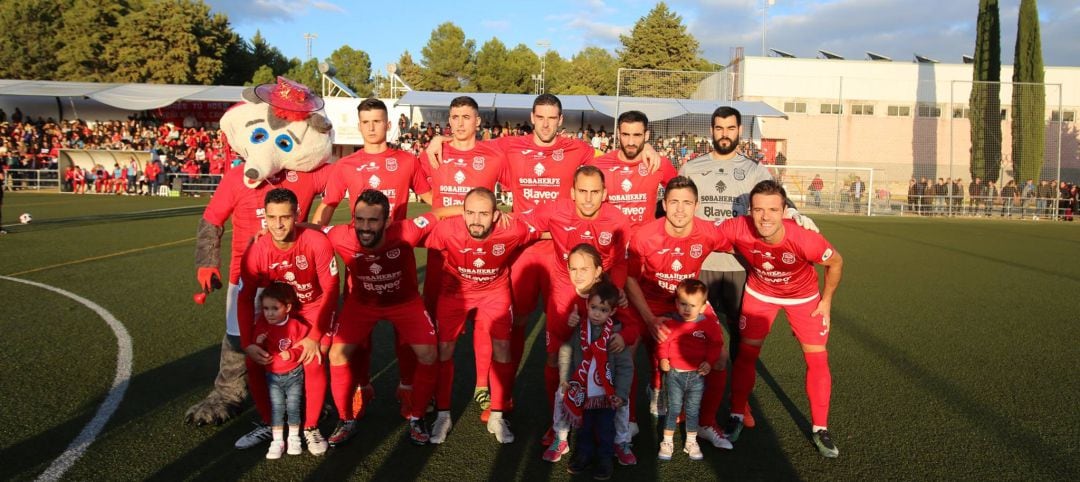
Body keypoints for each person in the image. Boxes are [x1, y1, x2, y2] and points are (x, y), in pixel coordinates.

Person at [678, 106, 814, 430]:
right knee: (691, 334)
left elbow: (781, 204)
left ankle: (741, 404)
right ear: (711, 130)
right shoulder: (692, 167)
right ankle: (686, 402)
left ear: (740, 130)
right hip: (702, 264)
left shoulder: (755, 171)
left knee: (743, 342)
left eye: (730, 128)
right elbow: (672, 204)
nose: (724, 133)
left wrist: (795, 215)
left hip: (741, 266)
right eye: (719, 128)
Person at [312, 98, 433, 416]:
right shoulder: (346, 166)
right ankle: (361, 387)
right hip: (358, 265)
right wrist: (309, 236)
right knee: (358, 339)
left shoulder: (407, 161)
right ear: (359, 125)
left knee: (405, 336)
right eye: (366, 122)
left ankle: (406, 387)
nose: (372, 127)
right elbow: (328, 205)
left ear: (388, 124)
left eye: (377, 121)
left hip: (399, 262)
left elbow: (432, 198)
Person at [719, 180, 844, 458]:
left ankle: (820, 428)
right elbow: (704, 236)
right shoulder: (738, 227)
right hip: (760, 294)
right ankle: (737, 414)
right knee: (746, 356)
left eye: (773, 209)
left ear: (785, 210)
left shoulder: (804, 238)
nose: (765, 217)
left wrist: (826, 301)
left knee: (817, 358)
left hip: (803, 298)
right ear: (749, 211)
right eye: (759, 210)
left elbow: (835, 262)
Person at [322, 189, 452, 446]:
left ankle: (417, 417)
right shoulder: (341, 235)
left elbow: (437, 213)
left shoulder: (407, 231)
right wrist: (277, 230)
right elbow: (314, 229)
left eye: (372, 220)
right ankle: (346, 419)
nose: (364, 227)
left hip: (404, 304)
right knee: (336, 354)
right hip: (362, 304)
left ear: (387, 221)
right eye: (359, 220)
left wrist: (485, 211)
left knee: (428, 354)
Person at [522, 165, 633, 447]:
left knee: (605, 359)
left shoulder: (618, 220)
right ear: (572, 193)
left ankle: (601, 418)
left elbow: (620, 261)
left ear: (604, 194)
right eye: (582, 191)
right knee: (556, 358)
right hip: (564, 294)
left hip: (600, 296)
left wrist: (616, 288)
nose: (587, 199)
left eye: (595, 192)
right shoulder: (555, 211)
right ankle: (558, 420)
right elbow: (520, 225)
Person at [423, 187, 541, 443]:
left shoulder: (513, 229)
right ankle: (443, 414)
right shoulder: (446, 230)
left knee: (502, 348)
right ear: (462, 213)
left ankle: (497, 414)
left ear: (496, 216)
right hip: (454, 293)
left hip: (494, 292)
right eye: (471, 213)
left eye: (484, 214)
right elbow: (413, 235)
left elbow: (544, 230)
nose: (476, 220)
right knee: (444, 349)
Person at [623, 176, 734, 448]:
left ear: (696, 206)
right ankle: (628, 421)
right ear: (664, 204)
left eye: (687, 203)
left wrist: (791, 220)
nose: (680, 209)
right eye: (674, 202)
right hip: (648, 303)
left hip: (685, 304)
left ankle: (707, 423)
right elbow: (629, 279)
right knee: (625, 350)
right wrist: (649, 319)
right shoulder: (645, 236)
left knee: (720, 356)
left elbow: (741, 238)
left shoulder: (708, 233)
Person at [417, 96, 506, 413]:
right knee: (436, 328)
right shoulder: (434, 153)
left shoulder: (494, 155)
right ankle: (431, 391)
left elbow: (519, 183)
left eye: (466, 117)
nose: (459, 122)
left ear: (478, 121)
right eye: (454, 117)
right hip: (443, 252)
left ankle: (482, 384)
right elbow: (423, 191)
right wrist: (445, 212)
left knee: (484, 325)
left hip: (482, 252)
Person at [236, 188, 338, 456]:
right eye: (271, 217)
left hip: (315, 308)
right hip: (282, 312)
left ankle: (311, 426)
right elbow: (245, 298)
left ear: (296, 216)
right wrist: (247, 342)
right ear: (265, 219)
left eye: (284, 217)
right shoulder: (257, 251)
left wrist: (315, 336)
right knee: (253, 360)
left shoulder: (316, 242)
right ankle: (272, 424)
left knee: (313, 358)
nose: (278, 224)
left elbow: (331, 290)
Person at [557, 279, 632, 481]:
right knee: (583, 426)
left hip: (607, 395)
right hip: (582, 392)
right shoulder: (580, 331)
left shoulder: (616, 336)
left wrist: (621, 393)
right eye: (593, 307)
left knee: (606, 428)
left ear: (612, 312)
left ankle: (605, 458)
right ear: (587, 305)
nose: (597, 313)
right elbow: (566, 351)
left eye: (603, 309)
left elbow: (626, 367)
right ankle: (583, 454)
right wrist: (564, 378)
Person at [658, 279, 725, 461]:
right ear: (676, 303)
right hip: (675, 374)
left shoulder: (708, 324)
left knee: (693, 409)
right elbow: (663, 342)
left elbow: (715, 344)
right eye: (683, 304)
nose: (687, 309)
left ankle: (691, 441)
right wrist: (663, 357)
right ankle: (667, 441)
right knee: (673, 408)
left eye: (692, 305)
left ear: (703, 307)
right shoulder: (671, 323)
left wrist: (709, 362)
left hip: (697, 375)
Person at [251, 282, 309, 459]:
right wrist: (259, 341)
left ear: (288, 307)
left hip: (294, 374)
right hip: (273, 375)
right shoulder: (263, 326)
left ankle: (293, 438)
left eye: (274, 308)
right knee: (277, 408)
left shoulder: (296, 325)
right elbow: (255, 347)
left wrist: (292, 353)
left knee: (292, 407)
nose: (269, 313)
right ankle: (277, 441)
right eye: (266, 308)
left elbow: (304, 344)